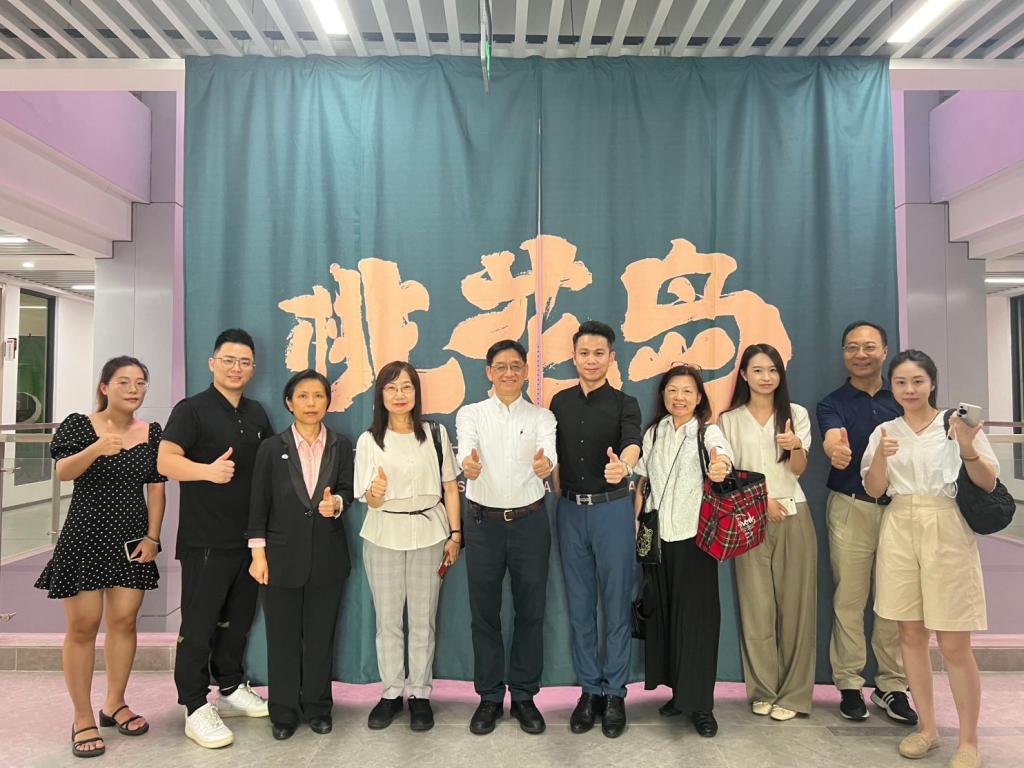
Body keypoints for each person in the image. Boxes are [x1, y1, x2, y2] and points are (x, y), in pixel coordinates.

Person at [862, 350, 996, 768]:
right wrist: (881, 456)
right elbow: (874, 489)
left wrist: (968, 447)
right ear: (891, 387)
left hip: (946, 523)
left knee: (954, 642)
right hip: (900, 523)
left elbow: (989, 481)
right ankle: (927, 729)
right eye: (901, 382)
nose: (910, 389)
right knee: (910, 634)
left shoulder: (955, 425)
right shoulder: (885, 430)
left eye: (917, 381)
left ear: (932, 383)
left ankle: (969, 740)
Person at [36, 356, 166, 758]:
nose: (133, 389)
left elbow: (156, 488)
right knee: (83, 626)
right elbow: (63, 472)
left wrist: (153, 537)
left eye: (140, 382)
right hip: (85, 536)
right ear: (104, 387)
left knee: (124, 621)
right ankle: (82, 716)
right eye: (124, 381)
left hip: (131, 539)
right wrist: (97, 447)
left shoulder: (152, 432)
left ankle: (114, 703)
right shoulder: (80, 424)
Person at [158, 328, 273, 749]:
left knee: (238, 620)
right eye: (228, 360)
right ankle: (193, 705)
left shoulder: (257, 413)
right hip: (205, 539)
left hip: (249, 541)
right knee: (200, 623)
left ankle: (229, 686)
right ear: (212, 363)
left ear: (253, 368)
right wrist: (206, 471)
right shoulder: (191, 410)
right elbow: (165, 460)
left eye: (244, 362)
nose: (236, 368)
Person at [816, 321, 917, 724]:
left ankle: (892, 685)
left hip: (900, 510)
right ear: (844, 353)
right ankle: (849, 682)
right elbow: (832, 438)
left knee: (895, 599)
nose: (861, 354)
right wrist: (835, 450)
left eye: (869, 346)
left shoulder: (905, 399)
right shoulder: (832, 402)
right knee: (850, 598)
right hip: (851, 506)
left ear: (885, 350)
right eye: (852, 347)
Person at [456, 340, 557, 736]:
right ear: (489, 372)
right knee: (484, 612)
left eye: (516, 366)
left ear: (526, 371)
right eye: (501, 366)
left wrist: (546, 465)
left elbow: (549, 454)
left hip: (531, 522)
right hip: (483, 524)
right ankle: (490, 697)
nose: (509, 373)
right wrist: (468, 465)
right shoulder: (472, 413)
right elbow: (466, 449)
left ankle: (525, 696)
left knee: (531, 610)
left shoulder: (542, 416)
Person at [354, 361, 462, 733]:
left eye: (406, 387)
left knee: (422, 621)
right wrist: (376, 492)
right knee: (387, 621)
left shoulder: (435, 434)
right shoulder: (369, 440)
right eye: (391, 388)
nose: (399, 395)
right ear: (380, 395)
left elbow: (450, 487)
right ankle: (390, 693)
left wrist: (455, 535)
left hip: (430, 534)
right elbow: (367, 498)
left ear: (416, 392)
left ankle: (419, 694)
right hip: (383, 533)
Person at [246, 369, 354, 740]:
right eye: (303, 396)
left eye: (319, 396)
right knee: (282, 638)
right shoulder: (270, 448)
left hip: (327, 557)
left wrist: (336, 504)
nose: (311, 403)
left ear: (328, 402)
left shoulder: (340, 445)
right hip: (279, 558)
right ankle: (284, 711)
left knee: (321, 638)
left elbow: (347, 490)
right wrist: (258, 555)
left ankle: (319, 708)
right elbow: (258, 505)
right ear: (289, 403)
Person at [549, 320, 641, 739]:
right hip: (570, 511)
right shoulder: (559, 402)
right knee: (580, 606)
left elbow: (632, 442)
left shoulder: (625, 403)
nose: (591, 360)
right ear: (574, 357)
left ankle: (615, 693)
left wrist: (625, 465)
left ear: (611, 357)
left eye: (599, 353)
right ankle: (590, 692)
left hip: (612, 511)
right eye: (584, 353)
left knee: (616, 603)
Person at [634, 364, 733, 738]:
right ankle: (679, 694)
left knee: (697, 623)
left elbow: (720, 457)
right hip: (658, 540)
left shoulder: (707, 431)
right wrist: (637, 524)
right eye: (673, 390)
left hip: (695, 541)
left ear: (699, 397)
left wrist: (720, 465)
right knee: (666, 619)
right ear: (663, 395)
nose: (679, 397)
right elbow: (643, 480)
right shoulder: (654, 432)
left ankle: (701, 705)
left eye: (688, 391)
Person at [719, 345, 817, 721]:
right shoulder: (729, 420)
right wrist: (760, 502)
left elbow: (799, 469)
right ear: (744, 374)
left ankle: (794, 695)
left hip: (793, 513)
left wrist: (796, 446)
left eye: (772, 370)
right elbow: (728, 475)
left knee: (797, 609)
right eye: (757, 370)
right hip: (748, 517)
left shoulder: (796, 414)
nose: (766, 377)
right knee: (756, 607)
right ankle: (762, 690)